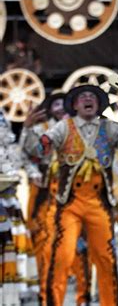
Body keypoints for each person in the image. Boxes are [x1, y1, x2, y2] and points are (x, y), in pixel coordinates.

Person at [34, 84, 118, 305]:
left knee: (105, 259)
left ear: (99, 104)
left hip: (99, 204)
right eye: (83, 97)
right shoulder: (65, 126)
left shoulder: (109, 127)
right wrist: (39, 138)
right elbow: (44, 146)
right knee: (61, 257)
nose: (88, 99)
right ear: (75, 104)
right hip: (69, 205)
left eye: (92, 96)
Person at [0, 108, 41, 304]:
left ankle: (12, 293)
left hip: (9, 201)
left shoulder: (8, 146)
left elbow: (20, 158)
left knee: (14, 249)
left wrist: (32, 173)